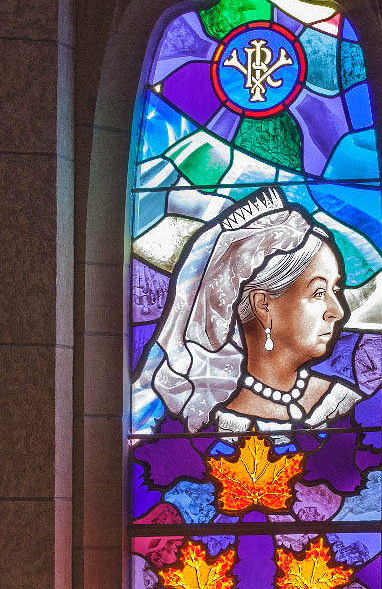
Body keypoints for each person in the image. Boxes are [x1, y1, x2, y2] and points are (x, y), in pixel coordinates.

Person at [137, 186, 360, 435]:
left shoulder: (342, 407)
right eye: (318, 293)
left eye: (335, 290)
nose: (338, 312)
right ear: (262, 305)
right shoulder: (210, 424)